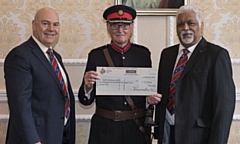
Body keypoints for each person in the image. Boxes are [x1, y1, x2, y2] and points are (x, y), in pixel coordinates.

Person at [78, 5, 162, 144]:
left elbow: (145, 90)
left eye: (125, 25)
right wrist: (87, 87)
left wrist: (149, 98)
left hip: (135, 129)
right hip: (105, 130)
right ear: (108, 28)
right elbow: (85, 100)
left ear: (132, 27)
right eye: (115, 25)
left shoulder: (143, 54)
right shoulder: (96, 55)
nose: (120, 30)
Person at [154, 5, 235, 144]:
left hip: (199, 137)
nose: (185, 28)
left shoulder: (216, 55)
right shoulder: (167, 55)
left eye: (191, 23)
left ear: (201, 26)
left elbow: (224, 107)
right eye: (180, 24)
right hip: (167, 135)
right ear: (176, 29)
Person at [4, 7, 75, 144]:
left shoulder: (55, 57)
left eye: (55, 24)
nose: (51, 28)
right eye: (45, 23)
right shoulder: (20, 56)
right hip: (36, 138)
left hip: (59, 134)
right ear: (34, 25)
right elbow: (20, 106)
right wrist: (33, 141)